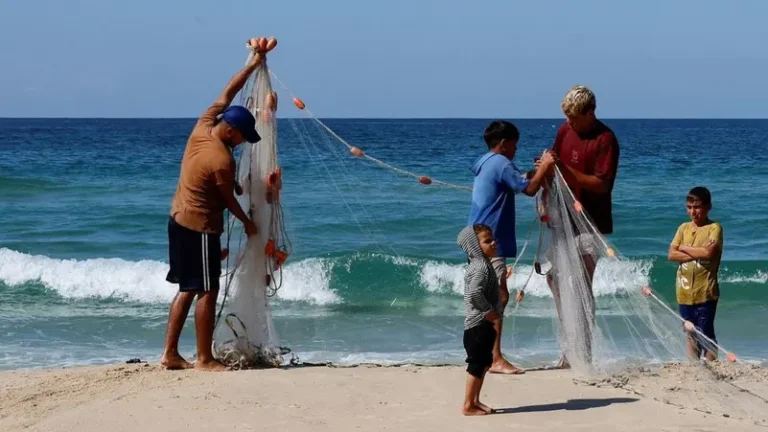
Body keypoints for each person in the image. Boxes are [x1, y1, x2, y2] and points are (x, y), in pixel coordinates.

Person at [160, 50, 264, 371]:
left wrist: (251, 65)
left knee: (187, 288)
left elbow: (227, 91)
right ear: (231, 130)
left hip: (177, 220)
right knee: (207, 289)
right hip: (200, 227)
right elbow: (228, 201)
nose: (243, 143)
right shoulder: (221, 159)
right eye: (243, 138)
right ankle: (204, 359)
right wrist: (248, 223)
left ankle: (170, 354)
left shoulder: (204, 124)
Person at [468, 120, 556, 374]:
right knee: (498, 297)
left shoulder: (485, 162)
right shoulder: (501, 163)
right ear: (505, 144)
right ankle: (493, 358)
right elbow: (528, 189)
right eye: (515, 145)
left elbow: (519, 179)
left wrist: (536, 171)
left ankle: (484, 353)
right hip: (489, 242)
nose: (516, 150)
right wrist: (547, 166)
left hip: (477, 237)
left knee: (492, 296)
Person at [546, 85, 620, 369]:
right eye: (566, 117)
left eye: (575, 117)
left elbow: (602, 184)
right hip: (561, 217)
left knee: (582, 285)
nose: (569, 123)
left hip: (591, 221)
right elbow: (555, 164)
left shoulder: (605, 139)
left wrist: (568, 172)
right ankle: (567, 350)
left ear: (590, 112)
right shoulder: (565, 130)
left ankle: (584, 354)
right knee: (554, 279)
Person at [668, 186, 723, 361]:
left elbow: (709, 253)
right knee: (690, 332)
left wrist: (683, 247)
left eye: (697, 207)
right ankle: (694, 366)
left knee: (706, 333)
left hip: (705, 291)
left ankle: (712, 364)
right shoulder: (683, 228)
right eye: (689, 207)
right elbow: (671, 254)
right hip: (684, 292)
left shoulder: (714, 228)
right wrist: (695, 250)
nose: (693, 212)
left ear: (708, 207)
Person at [457, 224, 501, 416]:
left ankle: (475, 401)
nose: (493, 243)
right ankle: (468, 404)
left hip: (481, 325)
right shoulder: (481, 266)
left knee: (484, 363)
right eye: (487, 241)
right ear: (475, 246)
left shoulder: (481, 265)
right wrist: (488, 311)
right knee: (476, 365)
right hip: (478, 325)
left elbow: (480, 288)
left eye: (492, 239)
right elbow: (475, 293)